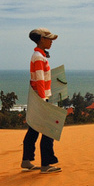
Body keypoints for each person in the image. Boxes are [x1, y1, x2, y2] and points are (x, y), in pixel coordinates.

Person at [22, 28, 61, 174]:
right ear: (41, 39)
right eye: (49, 39)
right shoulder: (38, 56)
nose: (51, 42)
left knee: (34, 129)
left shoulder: (40, 55)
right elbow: (39, 79)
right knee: (49, 129)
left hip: (40, 97)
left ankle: (27, 160)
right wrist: (43, 100)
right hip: (42, 98)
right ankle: (46, 164)